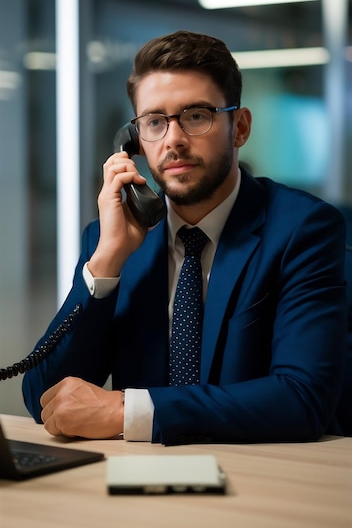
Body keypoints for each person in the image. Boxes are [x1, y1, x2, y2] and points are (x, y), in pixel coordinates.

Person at [22, 30, 348, 444]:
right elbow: (42, 398)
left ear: (240, 127)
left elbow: (303, 399)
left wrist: (127, 411)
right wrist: (105, 263)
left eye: (196, 115)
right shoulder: (112, 240)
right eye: (155, 122)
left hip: (260, 480)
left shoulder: (303, 228)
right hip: (137, 482)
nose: (173, 139)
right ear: (134, 143)